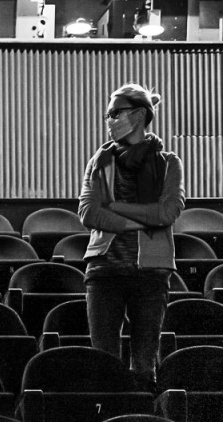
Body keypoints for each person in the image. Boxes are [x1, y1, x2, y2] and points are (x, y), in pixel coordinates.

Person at [78, 83, 184, 392]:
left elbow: (167, 213)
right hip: (104, 271)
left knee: (143, 368)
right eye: (107, 115)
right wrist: (143, 218)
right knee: (104, 366)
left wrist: (117, 207)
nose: (108, 120)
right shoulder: (100, 161)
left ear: (138, 116)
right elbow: (89, 213)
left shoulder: (168, 163)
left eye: (114, 114)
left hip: (151, 273)